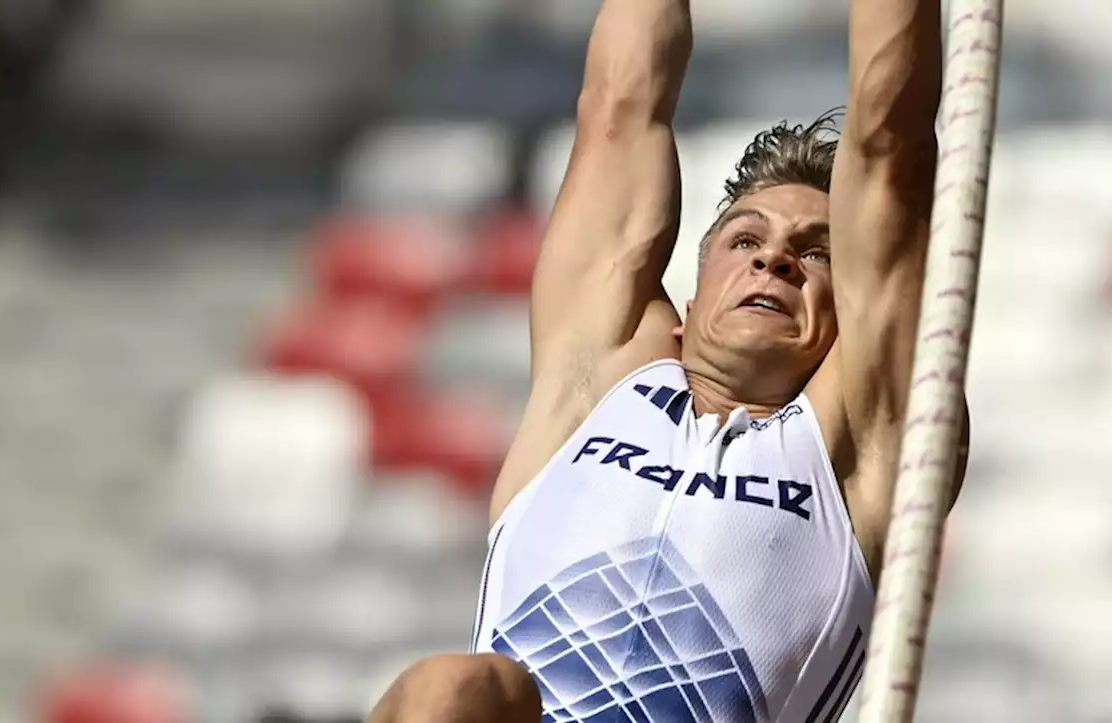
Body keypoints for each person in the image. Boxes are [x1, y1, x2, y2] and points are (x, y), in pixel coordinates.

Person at [371, 0, 969, 720]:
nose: (775, 258)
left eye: (816, 252)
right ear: (692, 295)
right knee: (455, 690)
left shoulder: (855, 444)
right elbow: (622, 104)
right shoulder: (599, 379)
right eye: (746, 241)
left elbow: (889, 144)